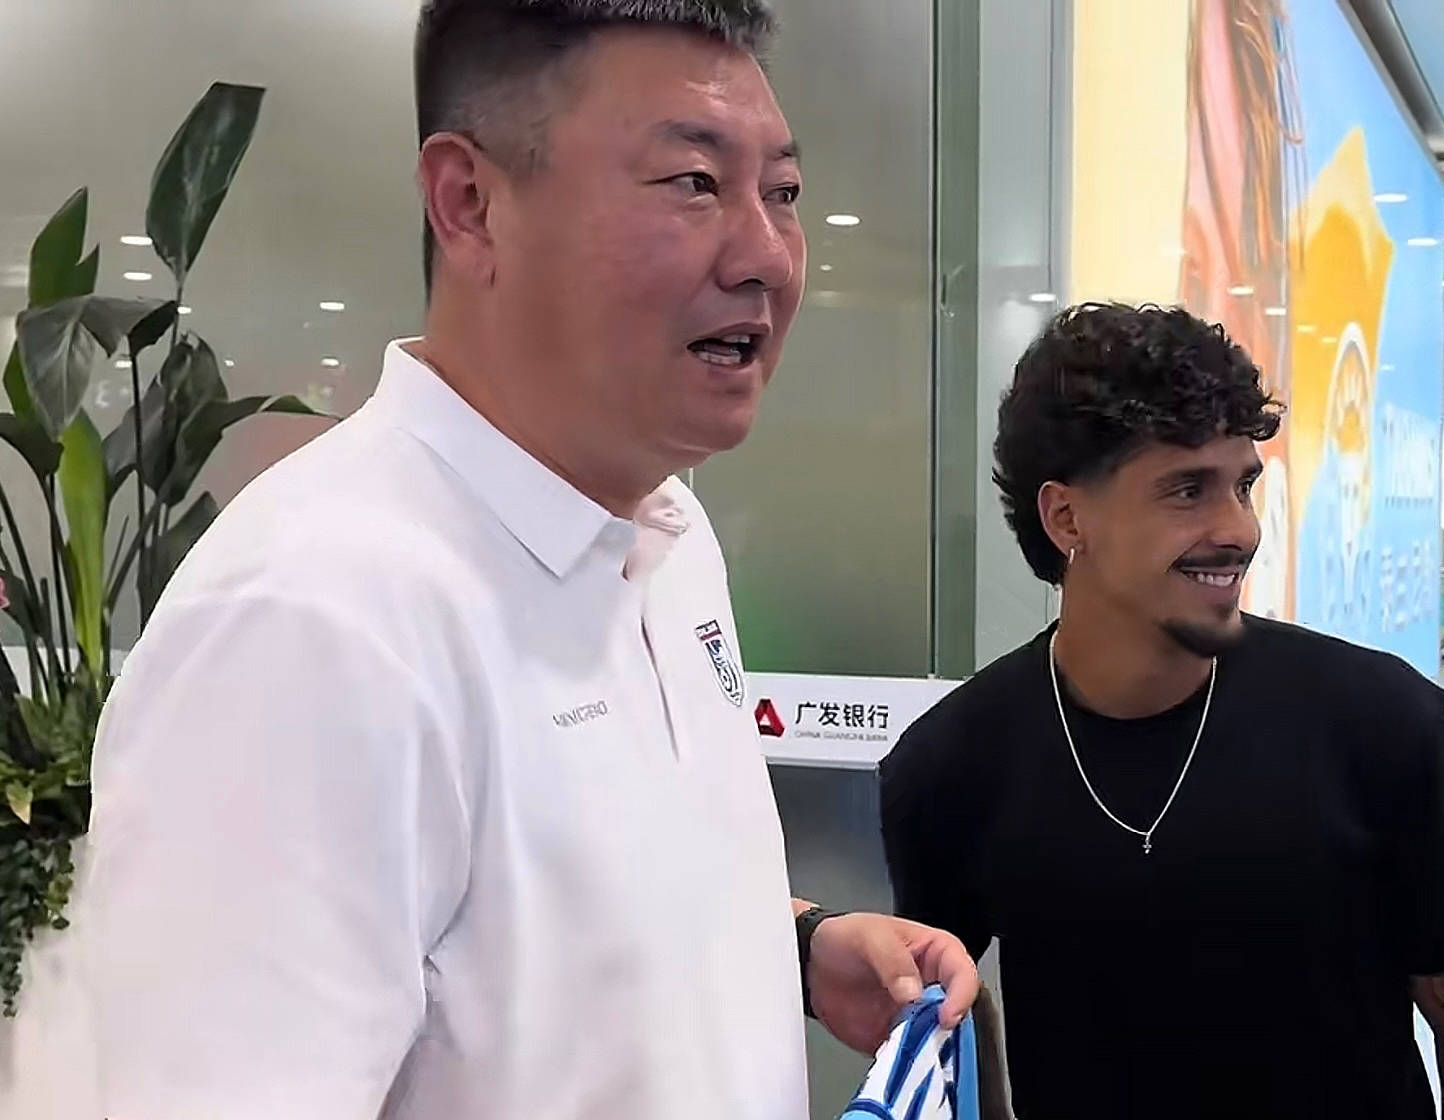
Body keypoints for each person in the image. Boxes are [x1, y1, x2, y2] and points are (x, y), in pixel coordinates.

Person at [83, 2, 976, 1117]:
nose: (765, 256)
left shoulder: (668, 534)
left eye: (782, 191)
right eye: (694, 182)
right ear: (470, 203)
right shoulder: (310, 621)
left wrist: (787, 945)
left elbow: (547, 920)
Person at [880, 303, 1444, 1118]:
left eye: (1242, 485)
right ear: (1067, 517)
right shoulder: (953, 761)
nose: (1238, 529)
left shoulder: (1383, 725)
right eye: (1187, 490)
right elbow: (949, 1008)